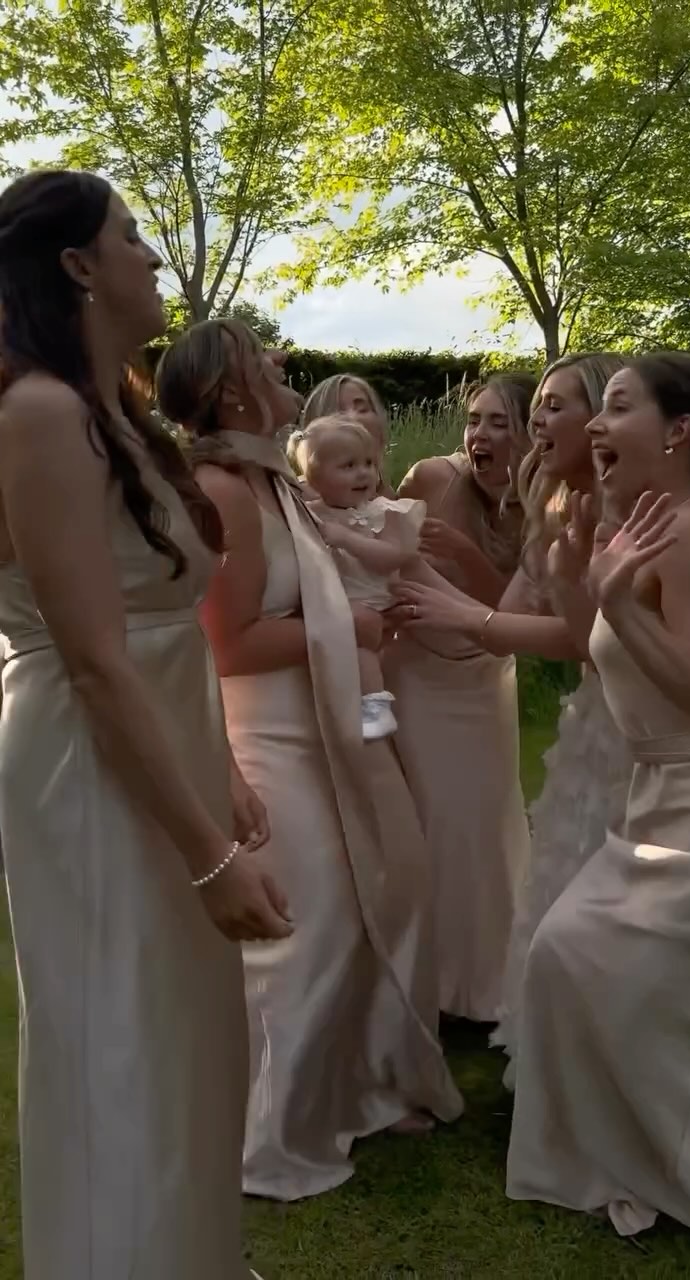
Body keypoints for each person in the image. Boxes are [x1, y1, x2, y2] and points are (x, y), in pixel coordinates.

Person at [0, 170, 291, 1280]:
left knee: (185, 1036)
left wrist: (216, 771)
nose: (155, 259)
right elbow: (92, 659)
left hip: (153, 749)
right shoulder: (36, 412)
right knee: (116, 1036)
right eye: (134, 237)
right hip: (84, 763)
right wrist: (209, 856)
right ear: (76, 265)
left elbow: (167, 638)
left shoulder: (108, 410)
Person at [155, 318, 463, 1203]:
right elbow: (226, 645)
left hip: (321, 729)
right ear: (231, 391)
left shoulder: (268, 481)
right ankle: (269, 1134)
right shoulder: (223, 488)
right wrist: (350, 629)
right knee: (308, 926)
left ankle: (351, 1089)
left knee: (358, 909)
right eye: (263, 357)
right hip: (268, 739)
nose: (283, 361)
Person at [506, 352, 690, 1242]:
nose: (594, 425)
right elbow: (603, 648)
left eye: (617, 407)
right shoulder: (646, 526)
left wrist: (619, 607)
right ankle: (634, 1146)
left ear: (680, 432)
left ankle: (679, 1159)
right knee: (570, 958)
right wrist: (574, 583)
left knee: (580, 955)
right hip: (659, 791)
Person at [392, 356, 632, 1054]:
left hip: (642, 729)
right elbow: (520, 610)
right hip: (592, 719)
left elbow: (577, 636)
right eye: (538, 409)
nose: (531, 424)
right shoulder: (557, 505)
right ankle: (568, 1058)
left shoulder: (630, 509)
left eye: (547, 408)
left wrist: (470, 617)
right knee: (566, 889)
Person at [383, 374, 535, 1023]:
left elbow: (511, 612)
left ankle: (487, 982)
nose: (480, 436)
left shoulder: (542, 501)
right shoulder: (428, 478)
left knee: (485, 824)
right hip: (418, 672)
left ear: (529, 434)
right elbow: (376, 550)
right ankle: (424, 985)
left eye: (499, 423)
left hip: (484, 675)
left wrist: (468, 554)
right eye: (475, 420)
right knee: (429, 822)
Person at [288, 413, 425, 739]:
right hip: (335, 604)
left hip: (371, 602)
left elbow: (394, 557)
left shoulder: (383, 512)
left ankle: (376, 705)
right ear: (315, 479)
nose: (363, 472)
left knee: (363, 651)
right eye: (348, 466)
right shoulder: (312, 513)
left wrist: (347, 539)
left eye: (368, 462)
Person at [303, 372, 395, 494]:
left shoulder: (386, 494)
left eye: (362, 409)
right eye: (339, 412)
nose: (353, 417)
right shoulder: (302, 497)